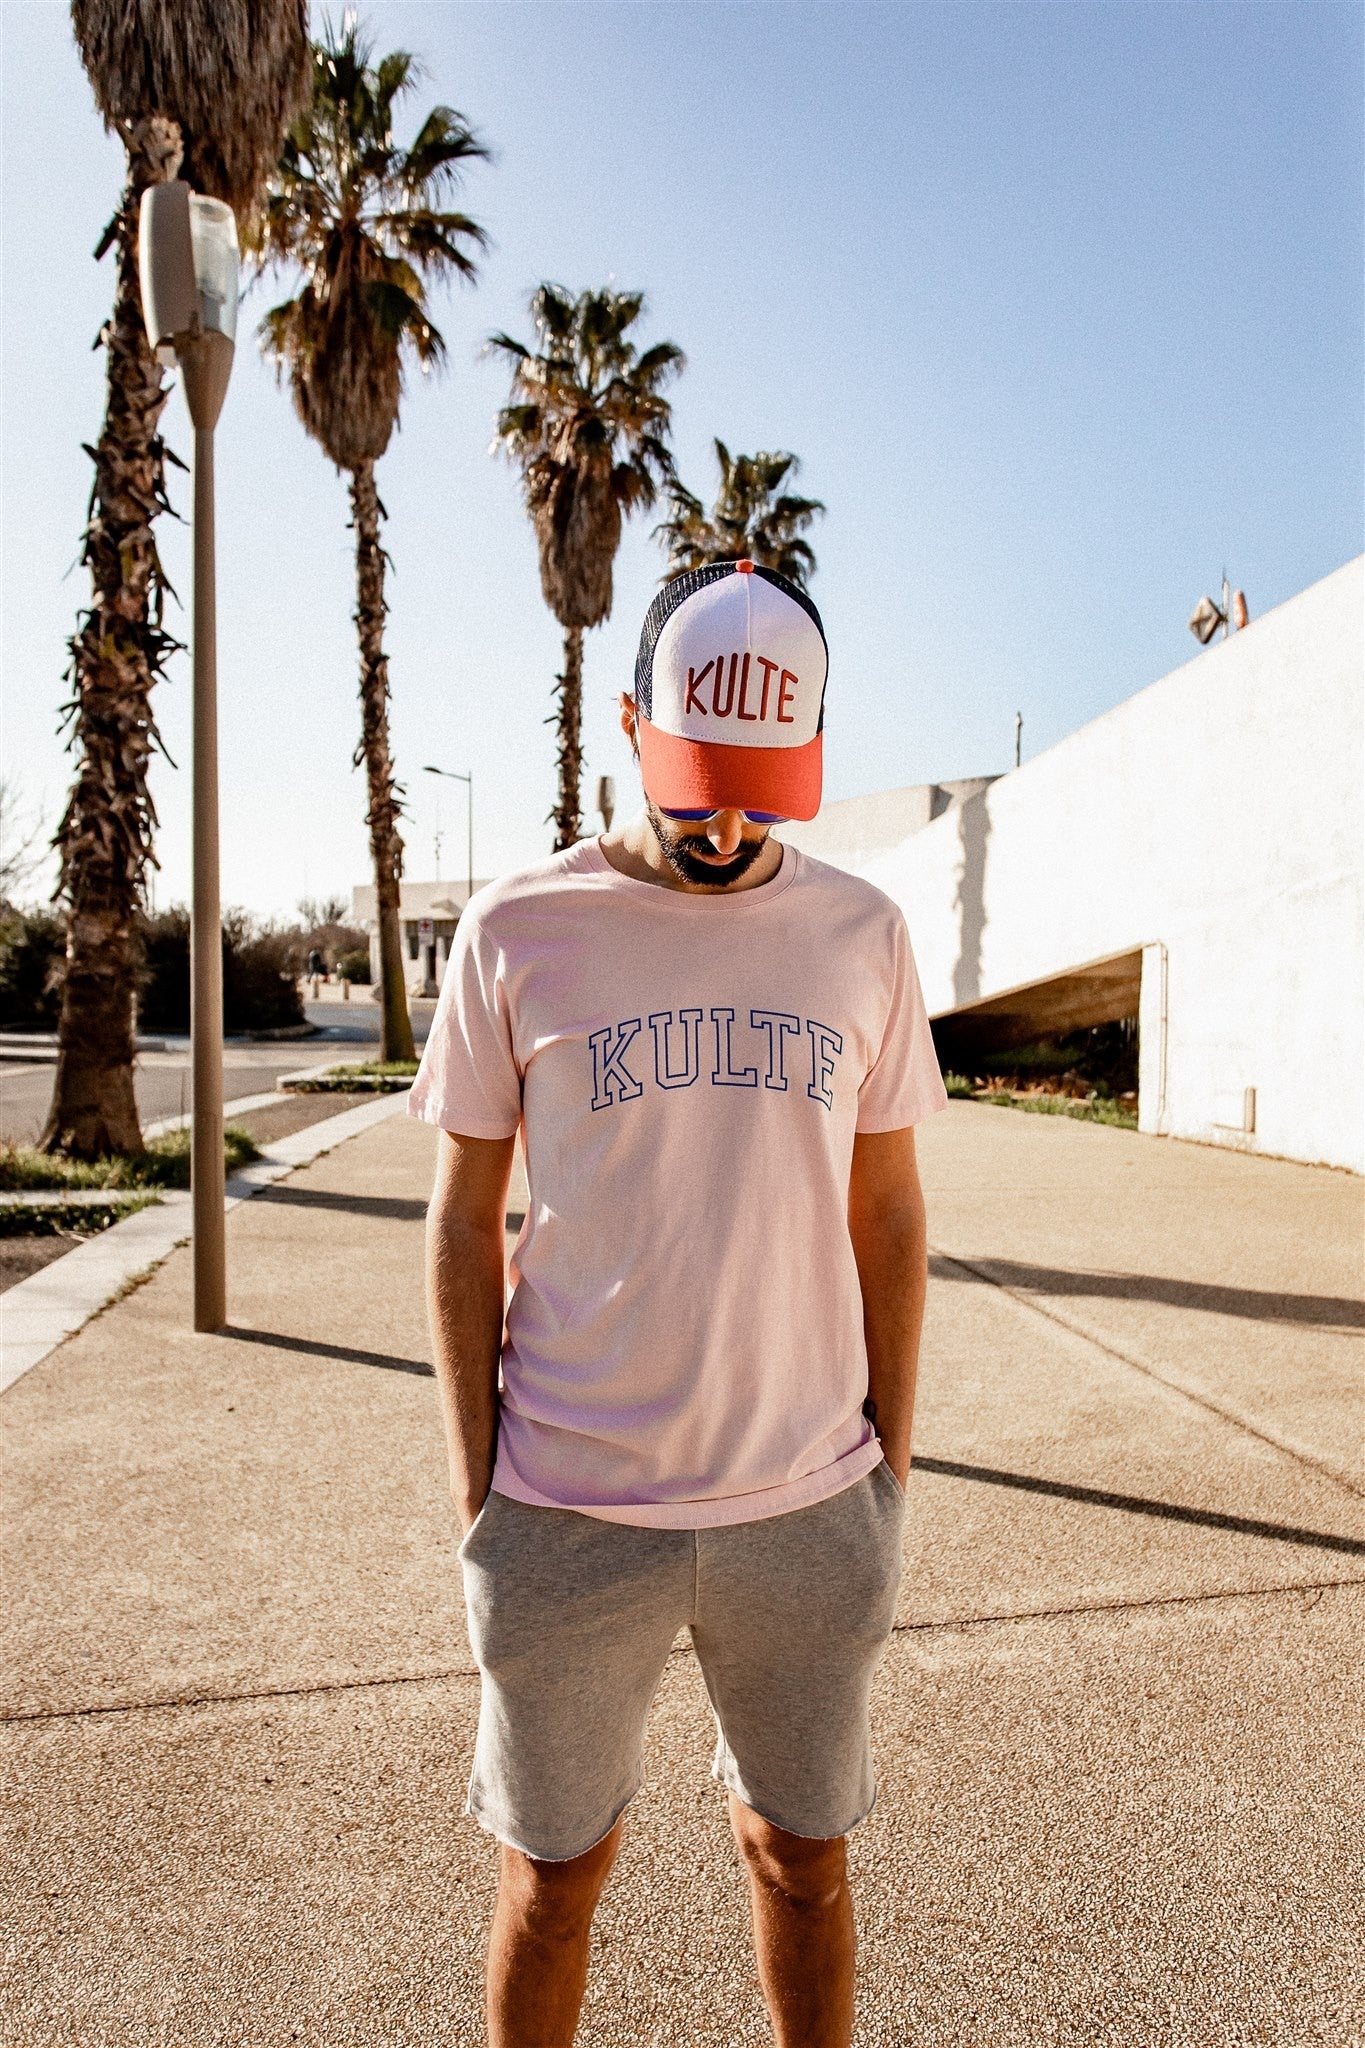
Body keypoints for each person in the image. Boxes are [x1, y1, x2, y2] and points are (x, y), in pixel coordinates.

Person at [411, 560, 947, 2046]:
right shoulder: (520, 930)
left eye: (766, 794)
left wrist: (886, 1477)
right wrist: (483, 1499)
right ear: (633, 726)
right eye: (700, 784)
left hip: (806, 1508)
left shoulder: (862, 936)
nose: (726, 828)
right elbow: (460, 1220)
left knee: (801, 1863)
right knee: (554, 1876)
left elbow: (887, 1210)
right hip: (567, 1511)